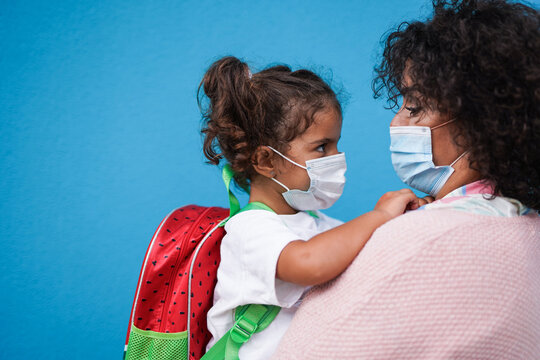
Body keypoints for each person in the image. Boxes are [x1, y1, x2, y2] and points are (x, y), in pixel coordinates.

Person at [272, 0, 540, 359]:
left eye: (414, 106)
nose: (396, 124)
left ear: (479, 122)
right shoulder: (528, 233)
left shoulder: (418, 237)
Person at [198, 56, 427, 359]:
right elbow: (310, 263)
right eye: (322, 147)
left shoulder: (321, 227)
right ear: (266, 161)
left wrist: (402, 223)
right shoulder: (249, 230)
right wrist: (379, 215)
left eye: (336, 145)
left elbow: (359, 257)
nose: (337, 157)